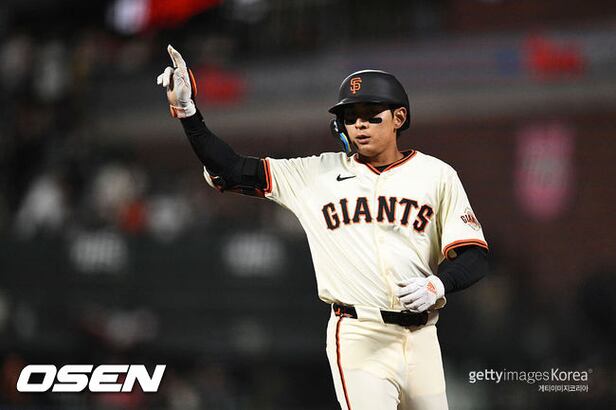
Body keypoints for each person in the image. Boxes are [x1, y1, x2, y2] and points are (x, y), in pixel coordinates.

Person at [157, 45, 489, 410]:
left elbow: (473, 256)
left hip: (423, 336)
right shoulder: (315, 174)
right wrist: (187, 112)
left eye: (370, 114)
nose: (359, 124)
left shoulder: (436, 175)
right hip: (359, 334)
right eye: (350, 116)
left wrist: (438, 284)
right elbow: (232, 169)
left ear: (399, 117)